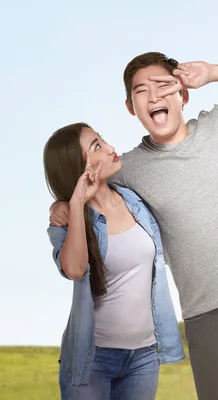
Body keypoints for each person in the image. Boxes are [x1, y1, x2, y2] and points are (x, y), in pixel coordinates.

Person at [50, 53, 218, 399]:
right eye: (141, 91)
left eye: (164, 85)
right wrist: (60, 204)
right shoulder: (129, 169)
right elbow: (86, 186)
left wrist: (213, 73)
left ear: (184, 94)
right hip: (209, 319)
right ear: (131, 107)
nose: (154, 97)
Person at [44, 123, 184, 399]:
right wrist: (73, 204)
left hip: (144, 358)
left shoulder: (136, 200)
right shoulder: (68, 221)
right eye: (96, 146)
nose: (109, 148)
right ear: (77, 166)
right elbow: (74, 269)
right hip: (93, 360)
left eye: (102, 139)